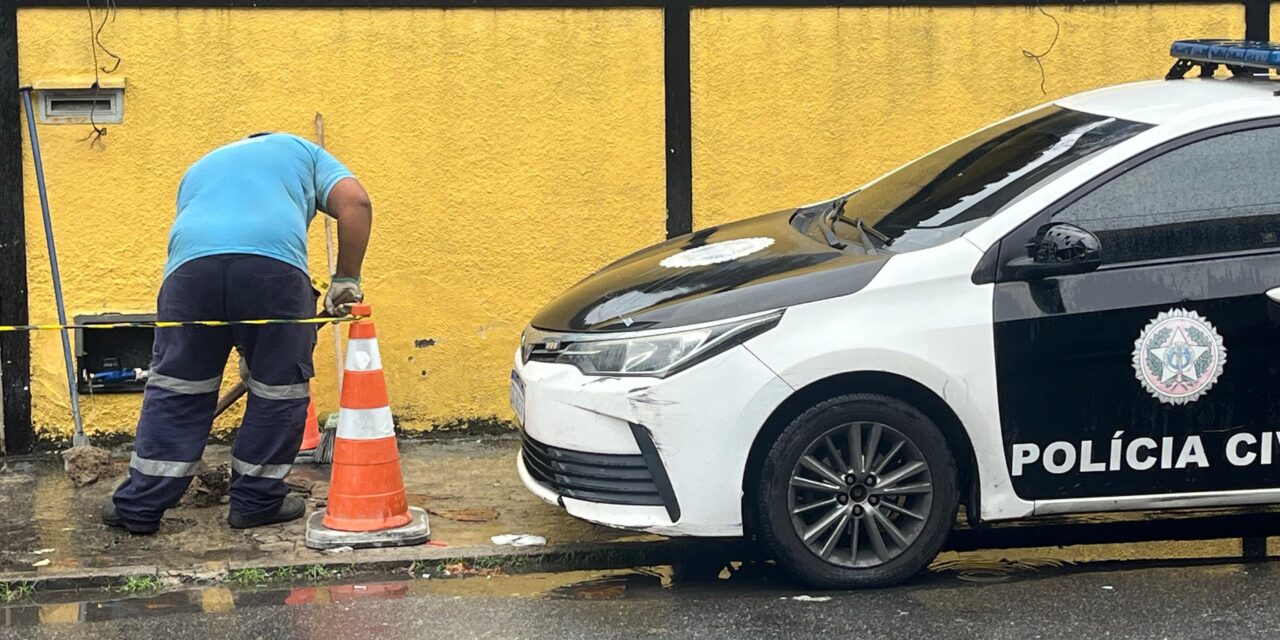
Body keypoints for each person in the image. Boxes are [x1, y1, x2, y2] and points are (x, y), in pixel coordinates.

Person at [102, 132, 372, 534]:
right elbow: (356, 203)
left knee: (178, 388)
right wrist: (345, 280)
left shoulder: (203, 164)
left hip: (190, 274)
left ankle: (139, 506)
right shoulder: (303, 151)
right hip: (273, 271)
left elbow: (221, 257)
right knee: (278, 388)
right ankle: (255, 502)